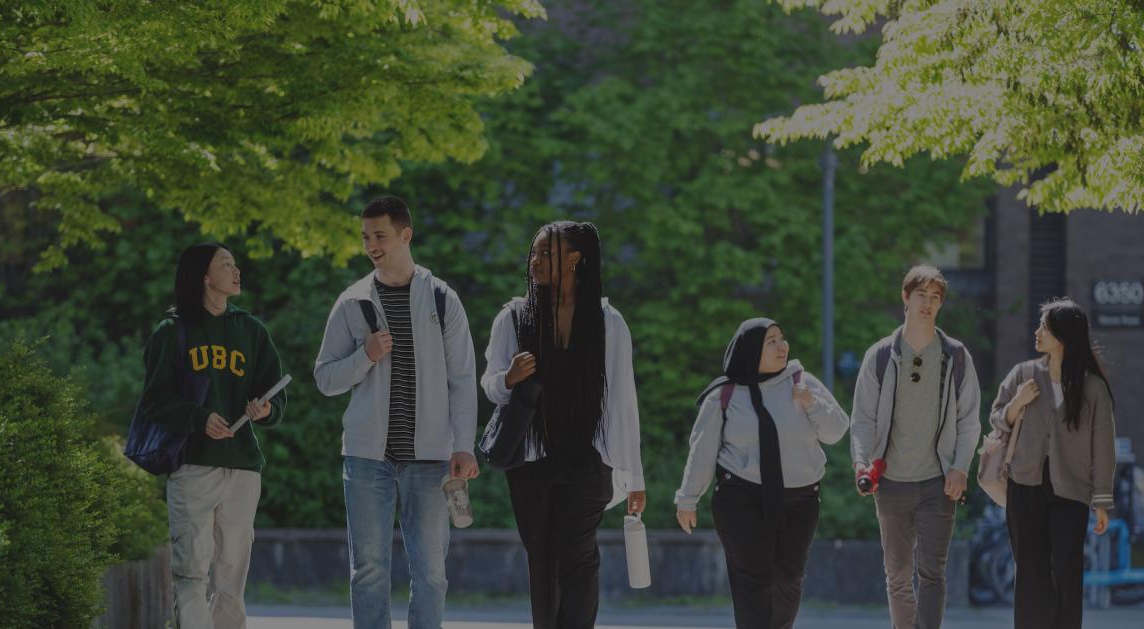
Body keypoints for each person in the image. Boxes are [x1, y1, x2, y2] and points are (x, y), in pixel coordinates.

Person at [313, 196, 479, 629]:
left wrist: (463, 446)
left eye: (380, 235)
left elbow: (462, 379)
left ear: (406, 235)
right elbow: (325, 378)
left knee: (431, 574)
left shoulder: (443, 299)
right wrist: (364, 356)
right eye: (366, 237)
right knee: (367, 572)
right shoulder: (352, 302)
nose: (372, 245)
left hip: (431, 460)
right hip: (368, 460)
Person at [480, 220, 646, 629]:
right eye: (533, 253)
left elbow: (624, 402)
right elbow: (489, 387)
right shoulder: (514, 317)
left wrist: (634, 476)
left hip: (589, 460)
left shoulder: (609, 322)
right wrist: (508, 378)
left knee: (578, 556)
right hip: (531, 461)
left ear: (574, 259)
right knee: (543, 560)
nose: (535, 261)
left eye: (546, 253)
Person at [139, 242, 287, 628]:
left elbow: (276, 391)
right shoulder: (171, 332)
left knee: (231, 579)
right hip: (192, 467)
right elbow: (155, 399)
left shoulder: (250, 330)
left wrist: (266, 408)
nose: (237, 271)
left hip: (242, 468)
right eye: (226, 265)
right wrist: (198, 417)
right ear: (204, 276)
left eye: (235, 264)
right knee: (190, 573)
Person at [674, 318, 848, 629]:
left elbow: (836, 431)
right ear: (752, 349)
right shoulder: (724, 394)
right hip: (741, 497)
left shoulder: (802, 382)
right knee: (752, 580)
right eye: (771, 341)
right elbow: (702, 450)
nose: (782, 346)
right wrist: (688, 498)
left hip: (800, 499)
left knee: (789, 580)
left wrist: (811, 403)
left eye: (782, 338)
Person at [849, 264, 982, 629]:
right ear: (905, 297)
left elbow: (970, 420)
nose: (928, 303)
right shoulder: (880, 356)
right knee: (897, 576)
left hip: (937, 483)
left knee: (932, 575)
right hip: (890, 482)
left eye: (935, 297)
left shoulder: (955, 357)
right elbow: (861, 420)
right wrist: (862, 464)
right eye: (921, 295)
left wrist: (960, 467)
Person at [990, 298, 1116, 629]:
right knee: (1030, 572)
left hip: (1071, 491)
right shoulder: (1024, 374)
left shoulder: (1092, 388)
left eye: (1044, 326)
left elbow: (1102, 447)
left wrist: (1102, 499)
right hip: (1024, 486)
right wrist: (1017, 404)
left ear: (1063, 335)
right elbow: (997, 419)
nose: (1037, 332)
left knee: (1065, 569)